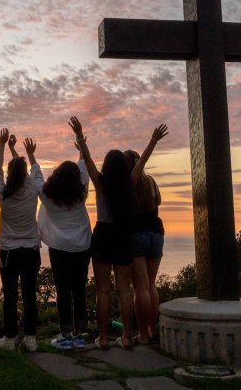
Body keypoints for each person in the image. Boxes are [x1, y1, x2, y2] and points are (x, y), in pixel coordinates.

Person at [69, 116, 168, 350]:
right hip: (123, 235)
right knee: (125, 290)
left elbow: (89, 161)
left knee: (102, 289)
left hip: (103, 234)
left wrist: (80, 137)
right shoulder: (130, 182)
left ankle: (103, 338)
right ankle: (125, 337)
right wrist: (153, 140)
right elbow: (142, 162)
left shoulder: (100, 182)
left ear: (106, 166)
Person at [26, 137, 92, 350]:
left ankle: (65, 334)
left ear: (56, 176)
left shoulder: (48, 195)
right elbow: (84, 169)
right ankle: (80, 334)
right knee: (79, 289)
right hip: (81, 247)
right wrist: (81, 147)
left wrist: (31, 154)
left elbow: (36, 177)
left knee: (62, 290)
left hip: (59, 248)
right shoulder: (81, 192)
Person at [0, 129, 41, 352]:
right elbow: (33, 170)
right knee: (30, 295)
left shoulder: (3, 194)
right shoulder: (33, 190)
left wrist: (3, 145)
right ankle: (30, 339)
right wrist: (23, 152)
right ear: (25, 175)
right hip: (31, 251)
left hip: (9, 253)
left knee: (10, 296)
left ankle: (10, 339)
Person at [125, 148, 166, 345]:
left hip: (137, 233)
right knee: (151, 285)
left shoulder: (129, 184)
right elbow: (158, 202)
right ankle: (151, 329)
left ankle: (141, 334)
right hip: (157, 232)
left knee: (140, 287)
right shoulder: (151, 182)